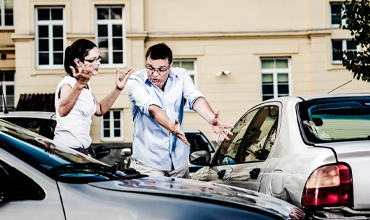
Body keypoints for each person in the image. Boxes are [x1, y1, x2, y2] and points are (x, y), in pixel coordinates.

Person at [125, 43, 233, 178]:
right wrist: (171, 127)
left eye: (161, 69)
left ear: (170, 66)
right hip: (148, 164)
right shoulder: (135, 81)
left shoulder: (180, 75)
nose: (154, 74)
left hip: (179, 164)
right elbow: (152, 108)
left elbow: (194, 97)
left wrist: (211, 119)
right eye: (150, 68)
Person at [53, 39, 134, 155]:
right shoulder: (68, 84)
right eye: (92, 60)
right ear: (78, 62)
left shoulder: (85, 85)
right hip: (66, 151)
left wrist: (118, 89)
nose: (98, 63)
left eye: (98, 59)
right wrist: (79, 85)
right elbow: (62, 111)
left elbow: (100, 109)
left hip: (82, 151)